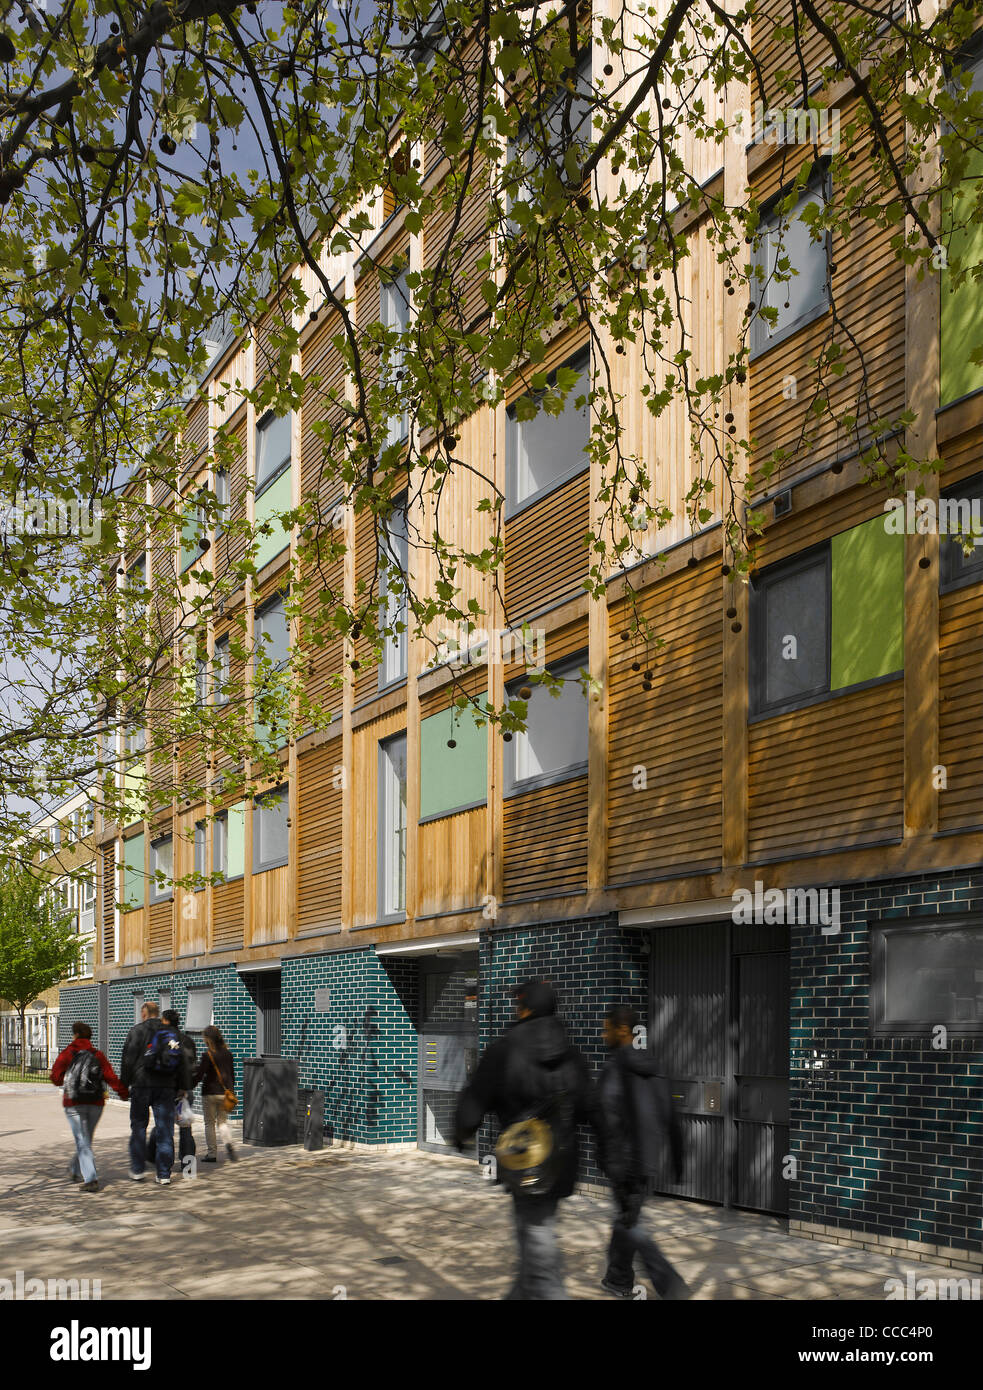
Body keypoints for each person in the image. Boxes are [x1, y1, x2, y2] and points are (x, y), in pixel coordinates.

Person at [454, 979, 604, 1300]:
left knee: (539, 1246)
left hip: (523, 1162)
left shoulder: (504, 1051)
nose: (515, 1008)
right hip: (561, 1164)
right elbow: (592, 1108)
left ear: (526, 1009)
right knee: (532, 1237)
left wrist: (461, 1133)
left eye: (518, 1003)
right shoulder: (572, 1054)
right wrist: (609, 1151)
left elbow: (473, 1103)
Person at [597, 1004, 689, 1300]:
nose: (602, 1034)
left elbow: (606, 1117)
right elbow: (670, 1114)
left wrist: (606, 1158)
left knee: (632, 1223)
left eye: (606, 1028)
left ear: (621, 1030)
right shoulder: (654, 1066)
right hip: (647, 1160)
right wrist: (677, 1159)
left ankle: (670, 1285)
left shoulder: (615, 1068)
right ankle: (617, 1278)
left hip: (624, 1162)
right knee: (626, 1219)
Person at [119, 999, 191, 1185]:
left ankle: (137, 1169)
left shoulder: (136, 1031)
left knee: (138, 1127)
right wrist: (183, 1086)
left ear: (144, 1013)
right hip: (166, 1086)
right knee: (165, 1130)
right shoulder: (171, 1033)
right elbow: (182, 1062)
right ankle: (164, 1174)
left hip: (141, 1085)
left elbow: (127, 1060)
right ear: (157, 1013)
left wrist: (123, 1086)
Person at [50, 1021, 128, 1192]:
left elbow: (55, 1078)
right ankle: (74, 1169)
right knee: (85, 1140)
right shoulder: (97, 1054)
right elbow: (110, 1076)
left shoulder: (67, 1053)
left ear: (75, 1035)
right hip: (96, 1103)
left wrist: (67, 1076)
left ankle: (91, 1179)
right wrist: (123, 1093)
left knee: (82, 1141)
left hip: (73, 1103)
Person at [146, 1010, 198, 1170]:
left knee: (163, 1126)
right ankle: (189, 1168)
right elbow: (193, 1067)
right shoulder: (188, 1041)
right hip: (185, 1091)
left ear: (166, 1021)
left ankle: (155, 1158)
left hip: (167, 1089)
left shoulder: (163, 1041)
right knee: (185, 1129)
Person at [191, 1025, 238, 1164]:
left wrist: (190, 1085)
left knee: (209, 1123)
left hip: (210, 1093)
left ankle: (212, 1154)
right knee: (222, 1122)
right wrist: (231, 1090)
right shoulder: (228, 1053)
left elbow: (200, 1075)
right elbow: (232, 1074)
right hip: (224, 1093)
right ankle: (228, 1142)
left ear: (207, 1038)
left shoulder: (208, 1055)